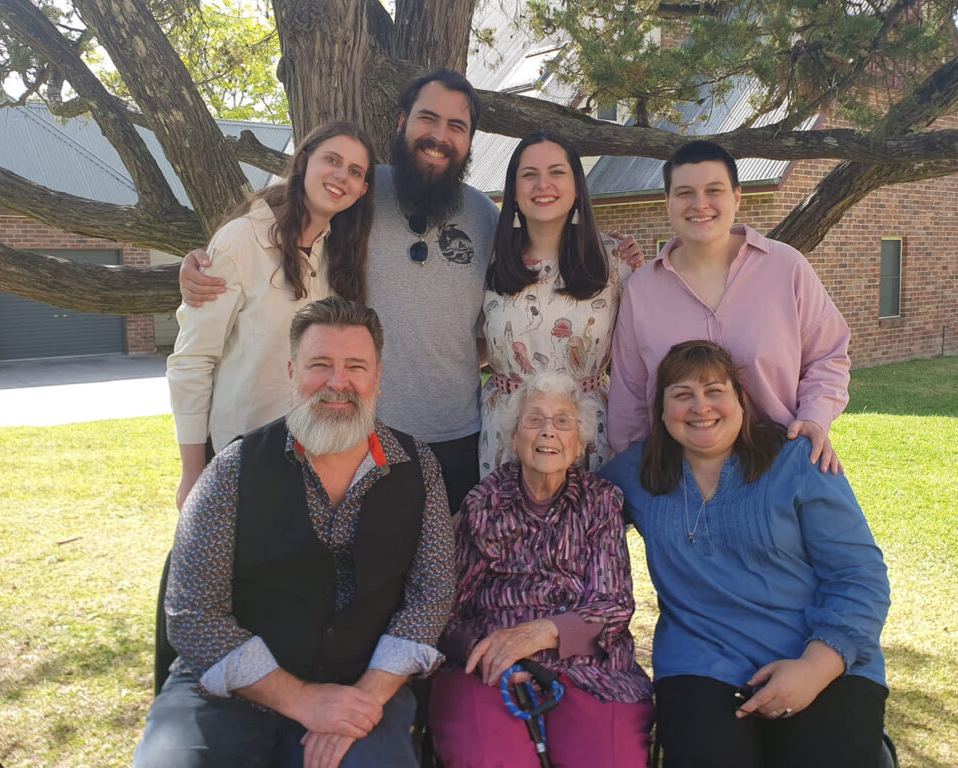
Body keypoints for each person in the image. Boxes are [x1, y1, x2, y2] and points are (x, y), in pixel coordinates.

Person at [179, 69, 643, 513]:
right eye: (428, 118)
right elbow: (296, 207)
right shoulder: (361, 190)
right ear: (402, 122)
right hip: (362, 433)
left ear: (469, 141)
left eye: (456, 126)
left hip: (462, 437)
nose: (439, 136)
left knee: (462, 561)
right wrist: (205, 256)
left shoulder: (486, 219)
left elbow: (499, 322)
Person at [134, 298, 455, 768]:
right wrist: (303, 700)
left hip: (362, 685)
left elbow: (431, 599)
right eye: (319, 365)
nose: (337, 383)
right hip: (231, 693)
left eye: (355, 367)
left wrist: (364, 697)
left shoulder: (419, 468)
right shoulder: (233, 469)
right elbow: (192, 613)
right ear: (291, 372)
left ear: (378, 378)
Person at [601, 340, 889, 768]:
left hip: (819, 653)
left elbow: (860, 576)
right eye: (682, 394)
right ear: (661, 411)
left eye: (714, 391)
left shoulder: (798, 461)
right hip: (701, 662)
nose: (701, 406)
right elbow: (571, 508)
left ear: (741, 400)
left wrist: (815, 667)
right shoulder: (635, 474)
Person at [431, 372, 654, 767]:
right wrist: (487, 651)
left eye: (563, 421)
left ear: (581, 443)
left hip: (590, 669)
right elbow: (446, 610)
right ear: (514, 437)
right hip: (495, 664)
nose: (548, 431)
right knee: (490, 757)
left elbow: (613, 607)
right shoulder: (483, 504)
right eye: (534, 419)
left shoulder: (601, 503)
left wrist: (538, 634)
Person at [166, 122, 376, 509]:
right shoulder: (241, 240)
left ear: (363, 190)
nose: (340, 176)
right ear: (304, 161)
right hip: (241, 458)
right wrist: (192, 472)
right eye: (332, 160)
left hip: (315, 461)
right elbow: (192, 360)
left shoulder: (338, 256)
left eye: (355, 171)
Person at [607, 140, 850, 473]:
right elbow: (630, 397)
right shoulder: (641, 290)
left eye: (714, 190)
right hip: (679, 480)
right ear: (668, 202)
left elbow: (828, 356)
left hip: (781, 467)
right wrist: (637, 475)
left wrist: (815, 417)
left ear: (736, 197)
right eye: (685, 193)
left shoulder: (786, 268)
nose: (700, 204)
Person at [479, 132, 634, 477]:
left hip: (585, 432)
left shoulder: (616, 262)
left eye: (556, 172)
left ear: (577, 185)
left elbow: (639, 356)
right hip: (507, 432)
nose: (542, 184)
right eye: (529, 174)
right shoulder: (488, 264)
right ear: (513, 189)